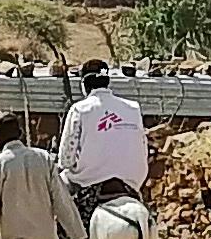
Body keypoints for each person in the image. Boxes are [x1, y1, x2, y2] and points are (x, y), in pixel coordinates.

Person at [58, 62, 150, 224]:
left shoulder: (80, 109)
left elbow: (65, 160)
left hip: (91, 184)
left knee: (60, 192)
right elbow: (142, 148)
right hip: (131, 184)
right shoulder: (133, 108)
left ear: (84, 84)